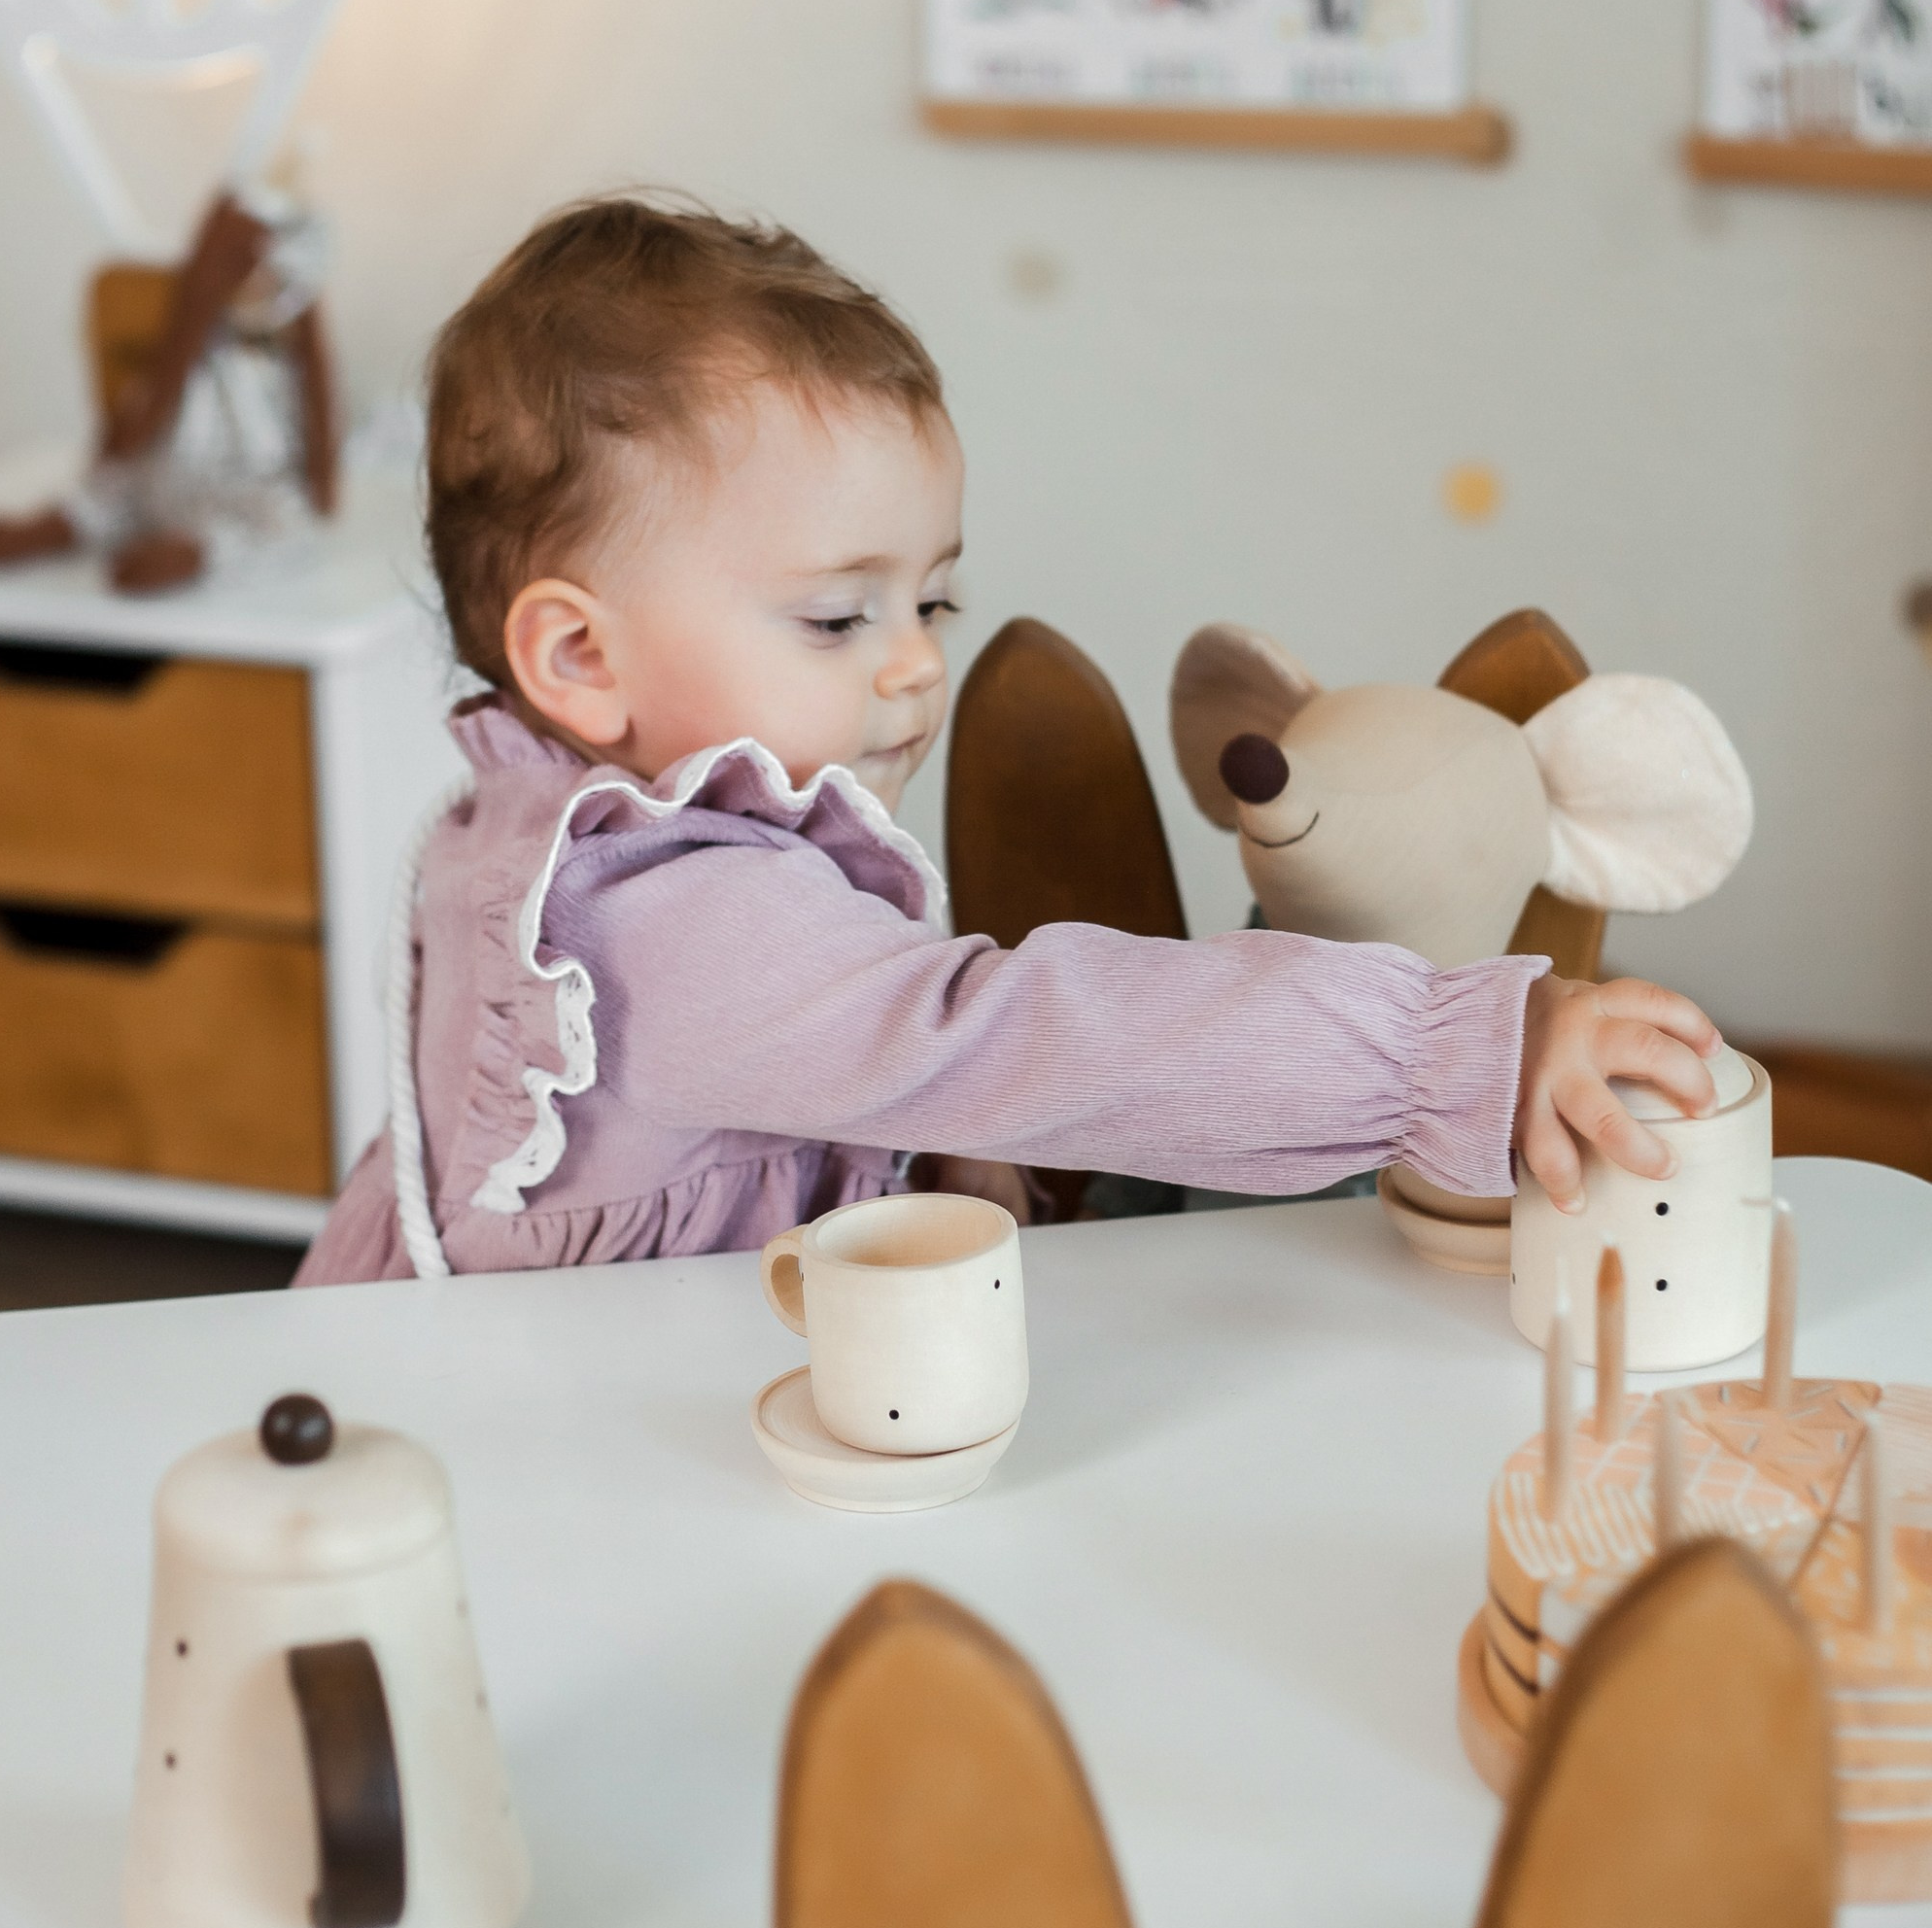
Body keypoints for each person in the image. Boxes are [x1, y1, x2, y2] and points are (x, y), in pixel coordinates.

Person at [297, 196, 1719, 1285]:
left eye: (930, 598)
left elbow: (818, 1073)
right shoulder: (673, 916)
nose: (919, 661)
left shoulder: (555, 828)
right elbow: (1025, 1033)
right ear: (580, 656)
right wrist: (1457, 1049)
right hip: (564, 1449)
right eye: (836, 618)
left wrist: (914, 1139)